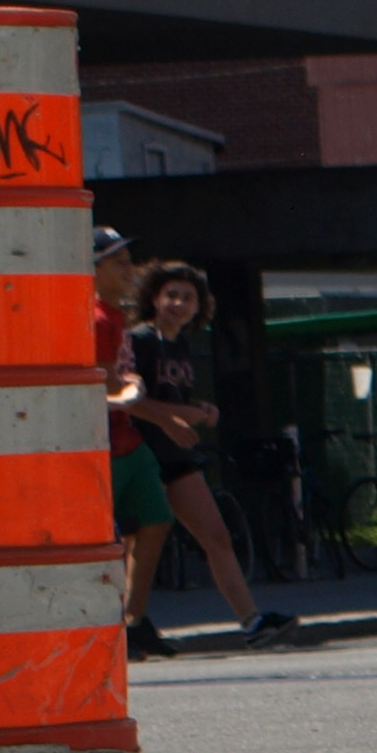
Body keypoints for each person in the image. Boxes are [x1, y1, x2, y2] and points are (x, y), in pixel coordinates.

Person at [124, 261, 293, 649]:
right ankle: (131, 625)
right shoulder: (141, 340)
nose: (178, 303)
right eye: (171, 295)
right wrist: (190, 415)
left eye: (187, 297)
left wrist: (199, 408)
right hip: (143, 456)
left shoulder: (181, 345)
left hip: (178, 457)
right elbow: (130, 401)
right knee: (137, 545)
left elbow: (172, 397)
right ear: (153, 298)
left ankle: (252, 622)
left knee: (216, 536)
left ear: (200, 306)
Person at [92, 229, 175, 659]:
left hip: (128, 437)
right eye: (117, 262)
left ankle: (134, 620)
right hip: (104, 440)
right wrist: (154, 408)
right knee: (113, 539)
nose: (129, 269)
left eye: (128, 260)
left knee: (156, 520)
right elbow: (109, 385)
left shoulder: (117, 315)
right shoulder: (97, 318)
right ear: (93, 269)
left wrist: (133, 387)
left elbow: (122, 382)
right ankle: (115, 623)